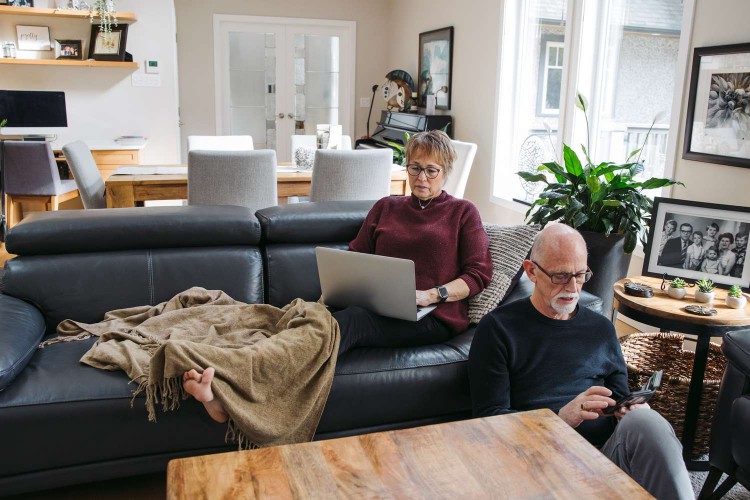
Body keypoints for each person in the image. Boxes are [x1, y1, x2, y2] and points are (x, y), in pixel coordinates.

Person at [184, 130, 493, 423]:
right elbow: (355, 255)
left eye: (431, 170)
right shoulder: (386, 207)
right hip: (377, 303)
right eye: (414, 168)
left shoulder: (463, 213)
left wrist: (431, 295)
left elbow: (479, 273)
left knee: (350, 323)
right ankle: (232, 381)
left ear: (446, 171)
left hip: (429, 317)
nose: (421, 178)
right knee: (306, 318)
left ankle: (226, 391)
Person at [468, 224, 693, 500]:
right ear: (531, 271)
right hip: (539, 465)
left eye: (580, 275)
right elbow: (489, 424)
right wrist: (561, 420)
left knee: (649, 422)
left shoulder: (601, 329)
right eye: (561, 276)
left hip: (604, 459)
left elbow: (620, 398)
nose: (573, 287)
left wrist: (629, 410)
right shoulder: (498, 330)